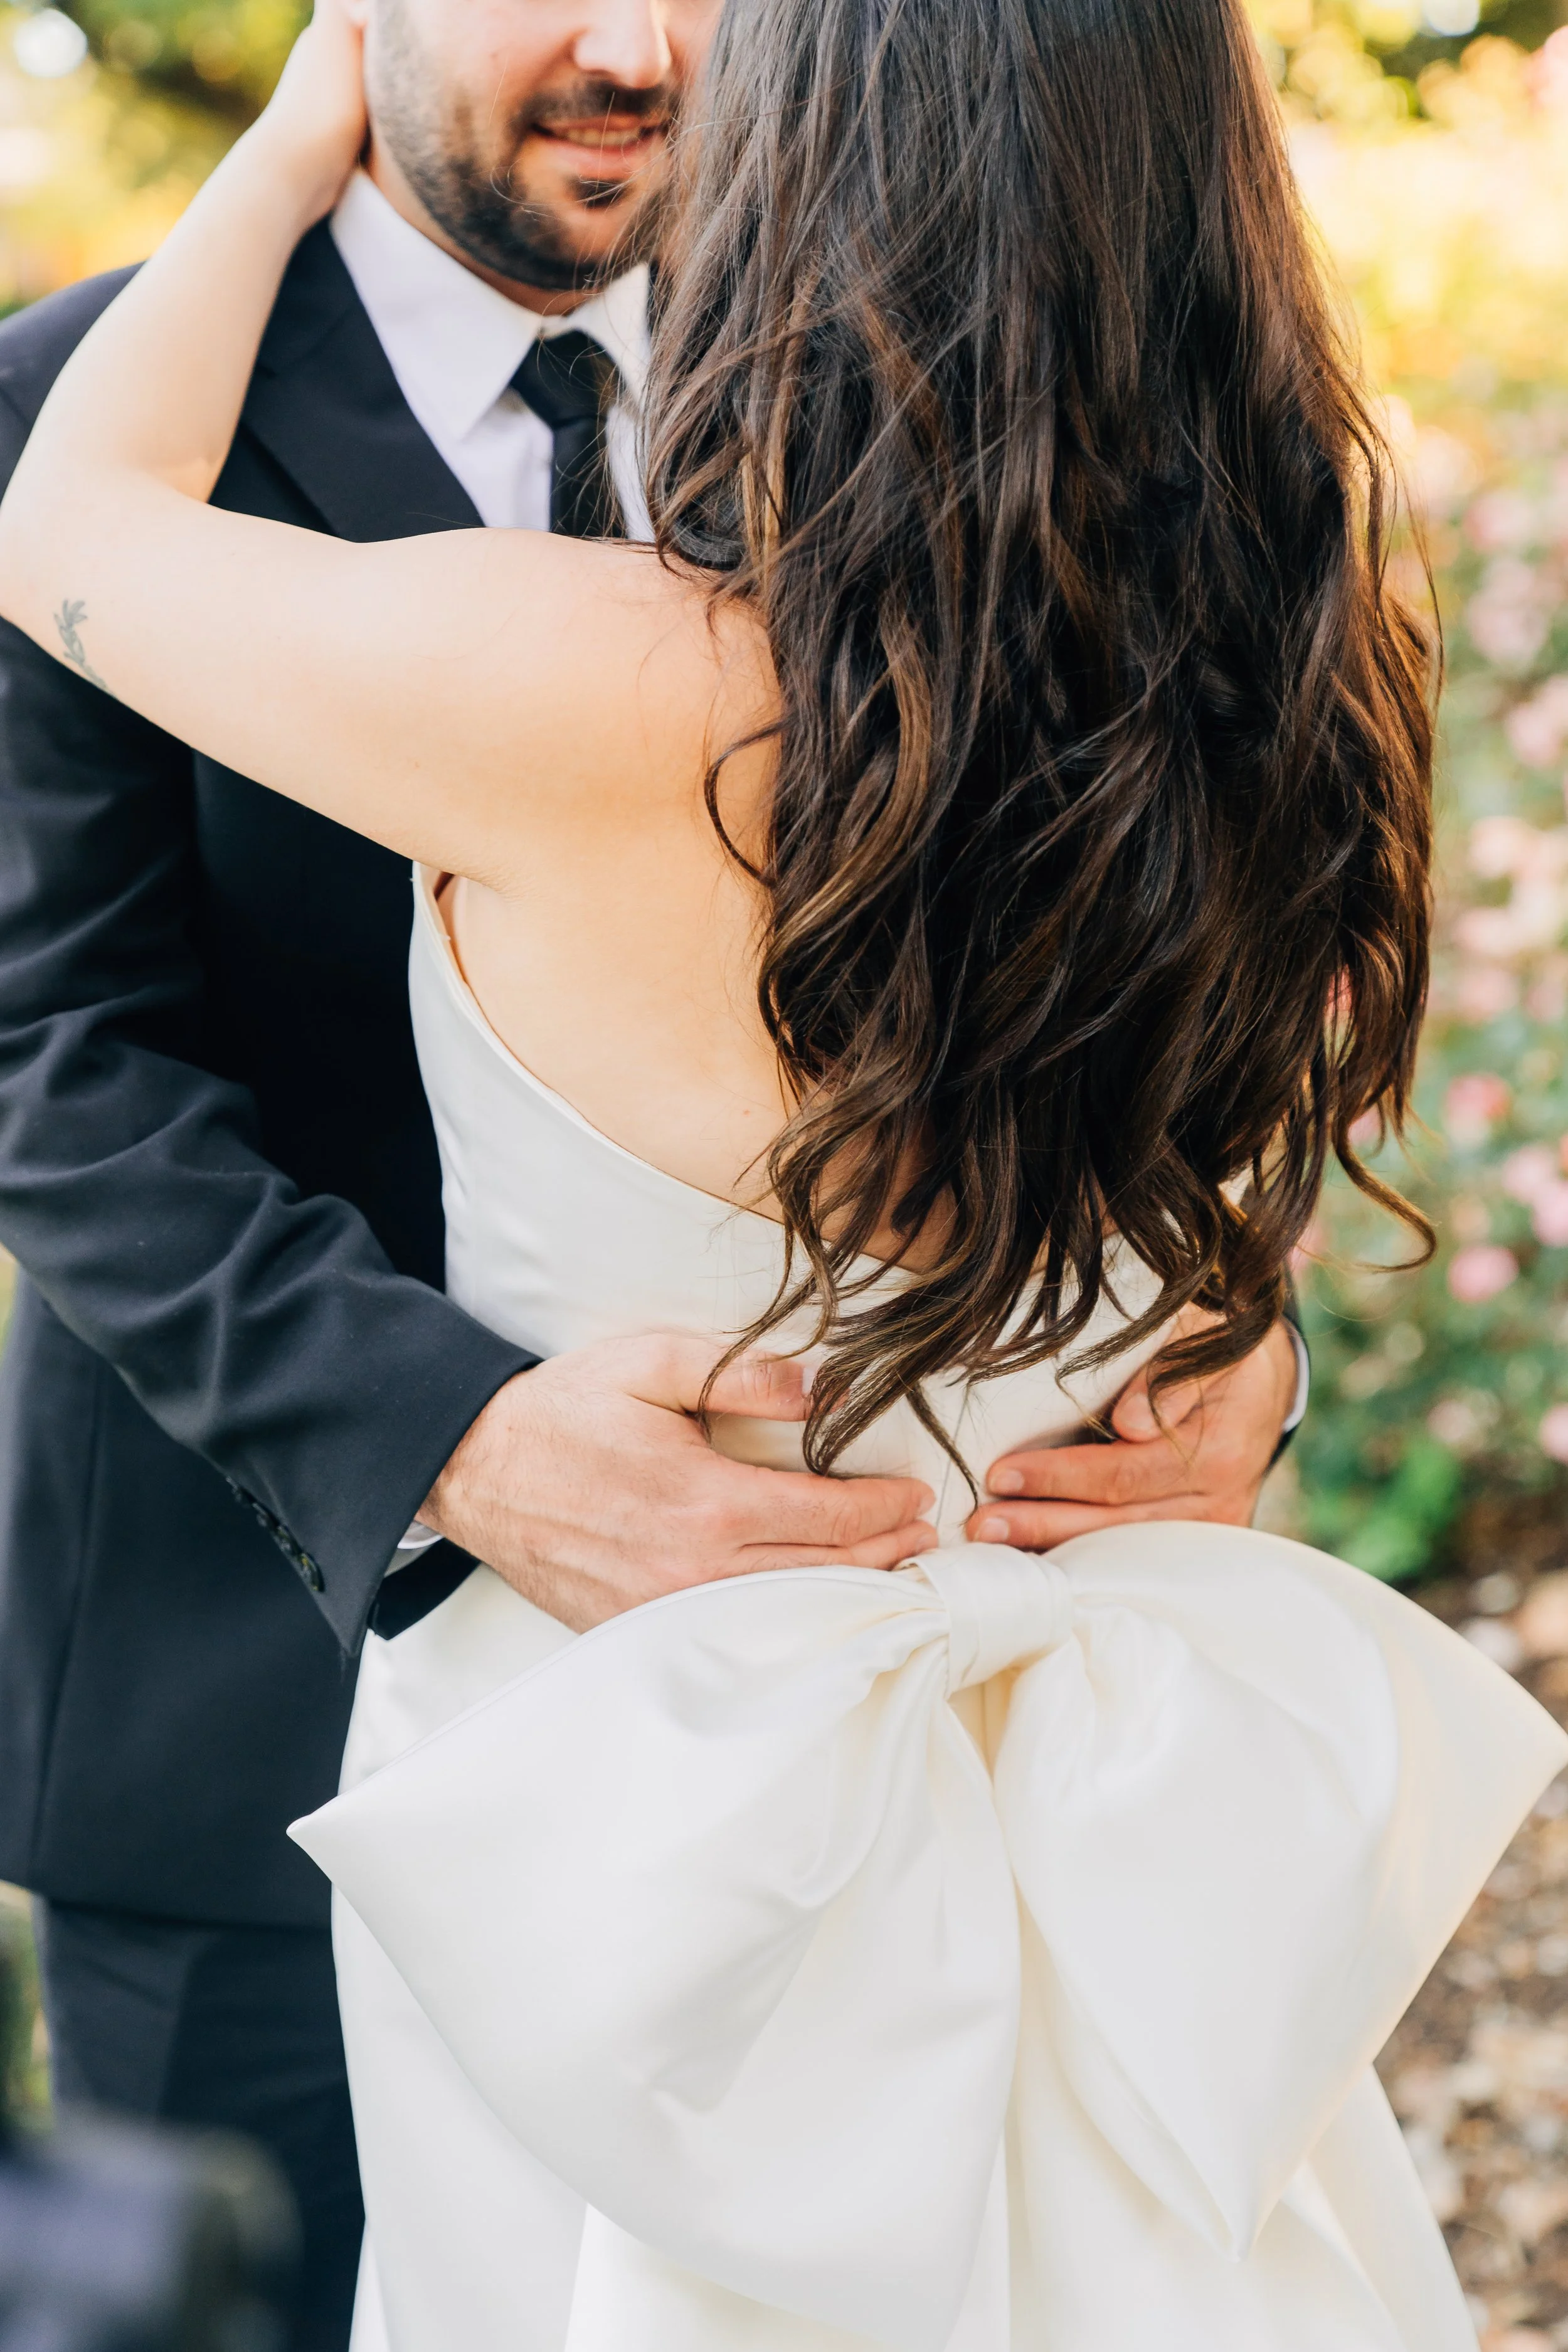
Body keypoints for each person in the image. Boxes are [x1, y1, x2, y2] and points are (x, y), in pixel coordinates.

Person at [0, 0, 1518, 2341]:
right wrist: (451, 1436)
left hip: (865, 1752)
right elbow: (44, 1039)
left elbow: (66, 542)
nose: (646, 40)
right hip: (269, 1694)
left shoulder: (628, 651)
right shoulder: (1280, 616)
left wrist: (1239, 1337)